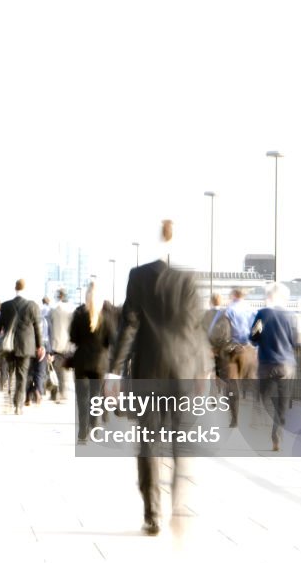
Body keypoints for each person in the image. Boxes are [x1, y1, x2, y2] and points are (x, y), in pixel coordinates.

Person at [108, 219, 209, 535]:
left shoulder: (138, 276)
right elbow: (196, 329)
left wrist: (114, 370)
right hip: (182, 370)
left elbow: (129, 325)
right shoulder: (189, 279)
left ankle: (152, 514)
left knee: (149, 442)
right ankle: (178, 502)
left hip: (148, 370)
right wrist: (203, 370)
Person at [249, 282, 298, 452]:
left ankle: (265, 423)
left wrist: (261, 339)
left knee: (265, 397)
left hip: (266, 363)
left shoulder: (262, 314)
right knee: (283, 402)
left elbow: (253, 337)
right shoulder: (291, 315)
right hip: (286, 364)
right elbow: (296, 342)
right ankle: (277, 432)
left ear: (269, 296)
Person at [69, 281, 115, 441]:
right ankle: (94, 426)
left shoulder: (79, 314)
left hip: (81, 361)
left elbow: (73, 338)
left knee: (82, 397)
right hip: (100, 362)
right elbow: (111, 340)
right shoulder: (106, 317)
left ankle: (82, 432)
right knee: (96, 396)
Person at [0, 279, 44, 415]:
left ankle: (9, 395)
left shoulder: (6, 306)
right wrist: (40, 346)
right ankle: (18, 405)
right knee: (22, 375)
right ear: (26, 290)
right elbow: (37, 328)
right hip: (26, 346)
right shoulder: (32, 306)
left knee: (10, 372)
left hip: (9, 346)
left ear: (15, 289)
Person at [218, 288, 257, 427]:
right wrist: (254, 346)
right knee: (253, 382)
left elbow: (218, 331)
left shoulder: (228, 311)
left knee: (232, 385)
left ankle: (234, 419)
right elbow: (258, 330)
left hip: (233, 351)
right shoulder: (252, 310)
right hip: (249, 350)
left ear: (233, 296)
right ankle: (257, 416)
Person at [49, 289, 73, 402]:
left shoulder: (53, 310)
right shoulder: (71, 310)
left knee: (54, 369)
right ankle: (63, 392)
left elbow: (49, 327)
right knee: (64, 370)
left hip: (55, 343)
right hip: (67, 344)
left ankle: (54, 393)